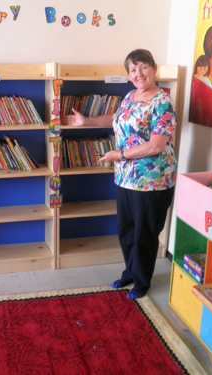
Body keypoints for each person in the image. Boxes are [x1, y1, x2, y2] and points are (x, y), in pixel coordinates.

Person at [64, 49, 177, 299]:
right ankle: (130, 271)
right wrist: (88, 122)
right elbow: (115, 119)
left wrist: (121, 155)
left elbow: (157, 145)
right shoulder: (129, 97)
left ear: (154, 68)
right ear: (128, 75)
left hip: (152, 181)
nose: (138, 74)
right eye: (133, 70)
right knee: (126, 230)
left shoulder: (163, 102)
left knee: (144, 234)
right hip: (125, 178)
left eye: (143, 67)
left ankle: (141, 281)